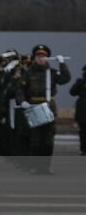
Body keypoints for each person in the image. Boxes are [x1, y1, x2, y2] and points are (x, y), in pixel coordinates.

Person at [15, 44, 70, 173]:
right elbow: (20, 89)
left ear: (47, 58)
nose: (41, 59)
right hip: (33, 107)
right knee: (35, 140)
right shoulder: (28, 74)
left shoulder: (52, 73)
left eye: (43, 56)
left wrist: (62, 64)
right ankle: (35, 166)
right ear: (34, 58)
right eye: (38, 56)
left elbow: (65, 79)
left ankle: (45, 167)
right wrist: (22, 101)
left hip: (48, 108)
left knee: (48, 141)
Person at [70, 64, 86, 156]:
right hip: (83, 110)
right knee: (83, 131)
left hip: (82, 110)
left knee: (83, 131)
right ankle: (83, 149)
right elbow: (72, 92)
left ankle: (83, 148)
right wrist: (80, 82)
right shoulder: (80, 82)